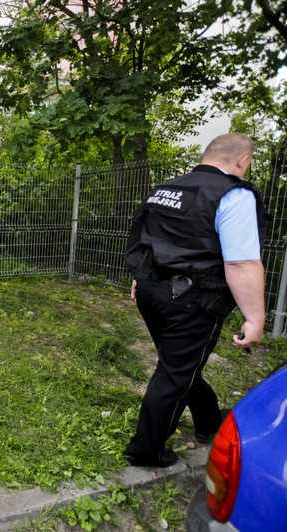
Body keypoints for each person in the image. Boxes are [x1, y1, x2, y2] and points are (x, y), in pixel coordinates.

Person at [123, 133, 267, 467]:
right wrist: (255, 317)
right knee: (175, 373)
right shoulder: (233, 195)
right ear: (243, 161)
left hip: (151, 292)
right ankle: (146, 451)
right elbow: (241, 262)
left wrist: (139, 279)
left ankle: (208, 422)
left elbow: (146, 240)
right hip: (191, 299)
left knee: (180, 364)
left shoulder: (167, 189)